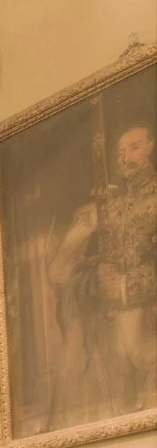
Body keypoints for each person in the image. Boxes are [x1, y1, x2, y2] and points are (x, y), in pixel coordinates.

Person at [52, 120, 157, 427]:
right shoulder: (107, 208)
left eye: (134, 148)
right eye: (120, 152)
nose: (125, 157)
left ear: (151, 147)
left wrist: (127, 285)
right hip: (111, 337)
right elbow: (63, 271)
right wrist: (96, 277)